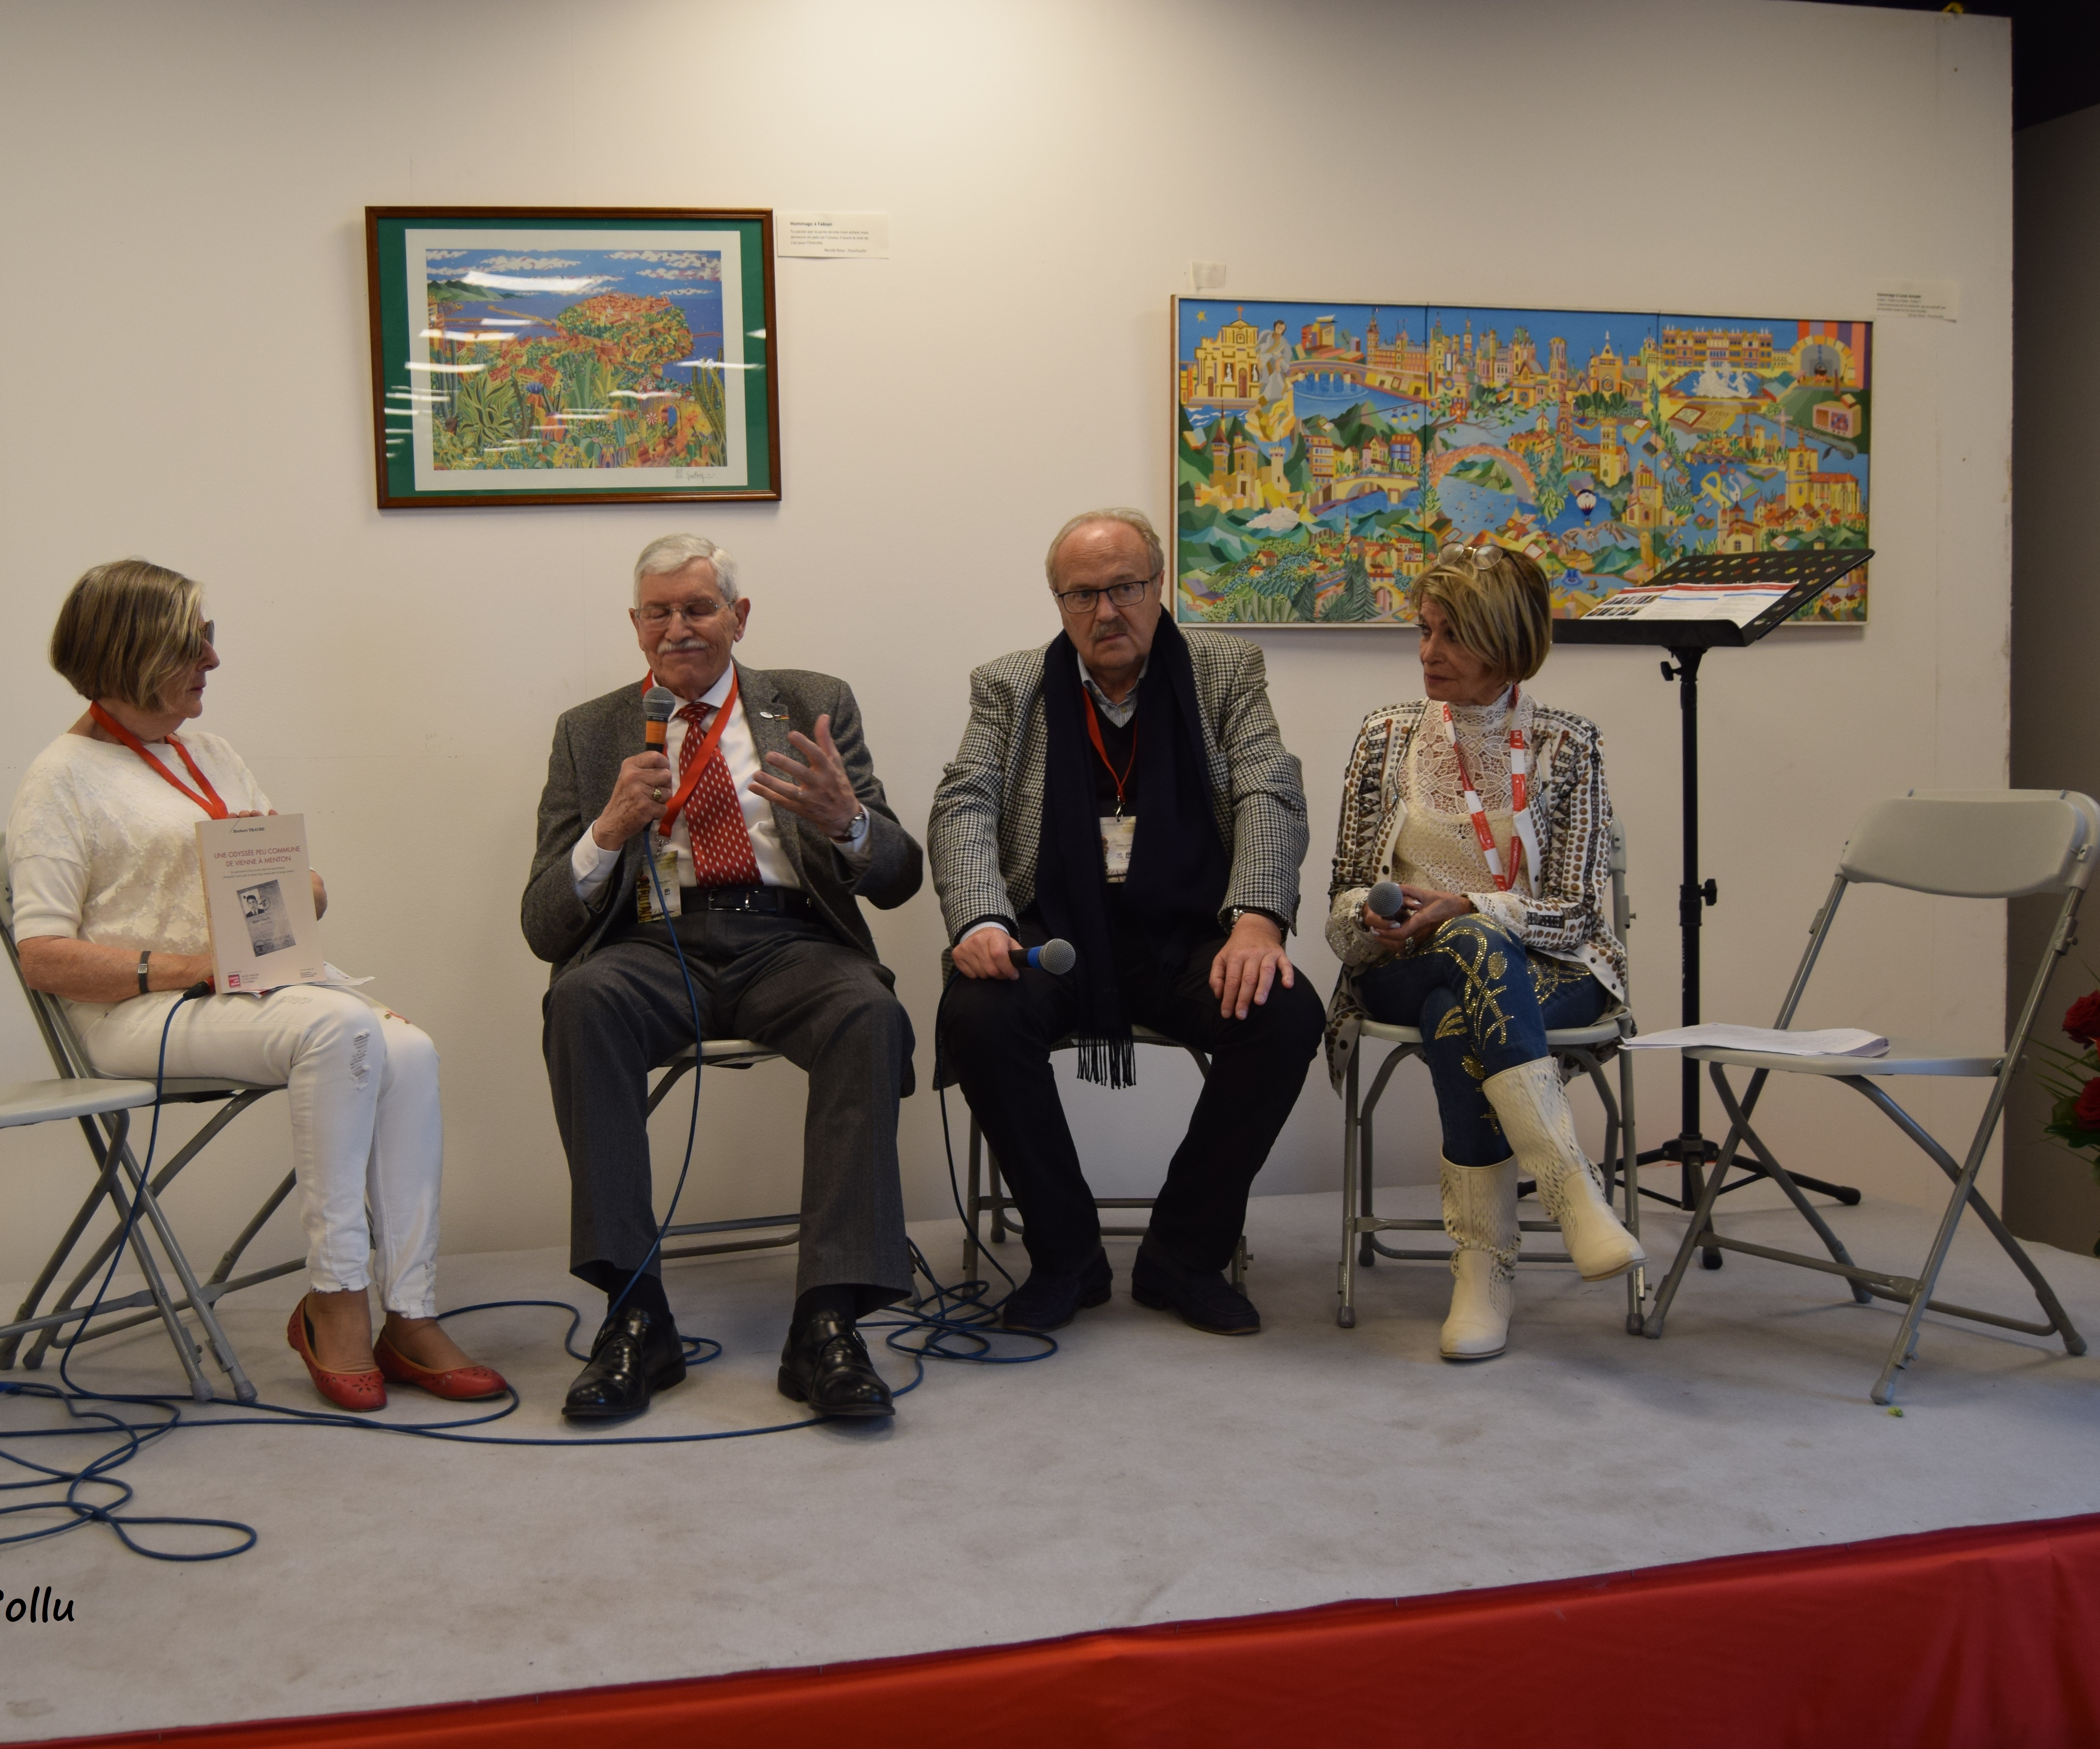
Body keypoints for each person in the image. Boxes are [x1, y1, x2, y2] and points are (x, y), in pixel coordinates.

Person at [7, 559, 501, 1413]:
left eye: (208, 638)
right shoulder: (61, 777)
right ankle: (336, 1301)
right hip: (135, 1013)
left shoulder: (212, 755)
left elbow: (272, 894)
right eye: (193, 642)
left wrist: (302, 891)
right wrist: (187, 967)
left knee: (410, 1050)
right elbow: (43, 957)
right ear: (133, 651)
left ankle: (412, 1311)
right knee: (342, 1032)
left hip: (250, 994)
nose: (213, 659)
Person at [523, 534, 925, 1422]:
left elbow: (899, 876)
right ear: (636, 626)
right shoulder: (589, 731)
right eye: (658, 612)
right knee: (580, 1000)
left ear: (739, 617)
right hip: (652, 941)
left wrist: (850, 822)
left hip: (791, 940)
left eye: (698, 608)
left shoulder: (813, 703)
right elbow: (543, 922)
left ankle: (827, 1321)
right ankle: (637, 1315)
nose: (678, 628)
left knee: (867, 1012)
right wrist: (607, 832)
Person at [928, 507, 1326, 1337]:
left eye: (1126, 588)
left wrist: (1258, 921)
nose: (1106, 611)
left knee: (1284, 1012)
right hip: (1056, 933)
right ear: (1058, 603)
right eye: (1082, 595)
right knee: (979, 1014)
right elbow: (965, 804)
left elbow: (1270, 790)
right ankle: (1066, 1256)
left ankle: (1184, 1254)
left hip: (1187, 934)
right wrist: (981, 920)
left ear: (1159, 584)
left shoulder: (1225, 669)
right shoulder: (1008, 685)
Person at [1322, 542, 1643, 1362]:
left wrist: (1468, 905)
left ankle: (1483, 1269)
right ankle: (1569, 1188)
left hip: (1547, 971)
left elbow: (1576, 915)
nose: (1427, 652)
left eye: (1451, 636)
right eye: (1424, 631)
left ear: (1506, 643)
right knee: (1460, 952)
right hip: (1402, 965)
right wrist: (1378, 916)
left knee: (1457, 1008)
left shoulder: (1568, 745)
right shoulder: (1387, 736)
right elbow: (1344, 894)